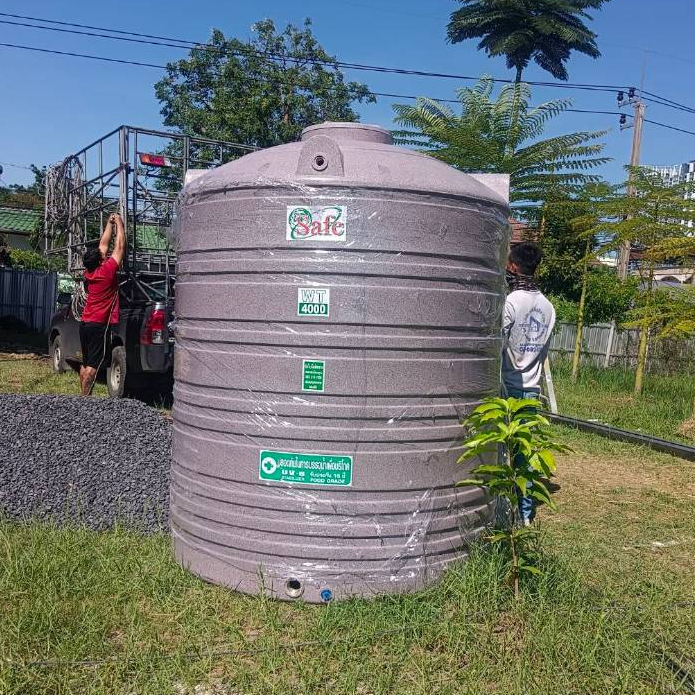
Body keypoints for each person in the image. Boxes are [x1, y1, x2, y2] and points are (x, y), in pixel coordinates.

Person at [501, 241, 556, 525]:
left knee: (499, 450)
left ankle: (500, 512)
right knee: (524, 452)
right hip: (532, 389)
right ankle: (524, 515)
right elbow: (542, 351)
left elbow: (497, 344)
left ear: (514, 266)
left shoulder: (511, 302)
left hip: (507, 387)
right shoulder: (549, 307)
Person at [79, 212, 125, 395]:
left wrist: (109, 223)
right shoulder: (106, 271)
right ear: (100, 261)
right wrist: (119, 223)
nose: (102, 253)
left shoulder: (90, 272)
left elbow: (103, 245)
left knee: (85, 363)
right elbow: (119, 246)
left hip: (85, 323)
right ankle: (84, 400)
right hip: (98, 325)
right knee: (92, 367)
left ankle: (83, 396)